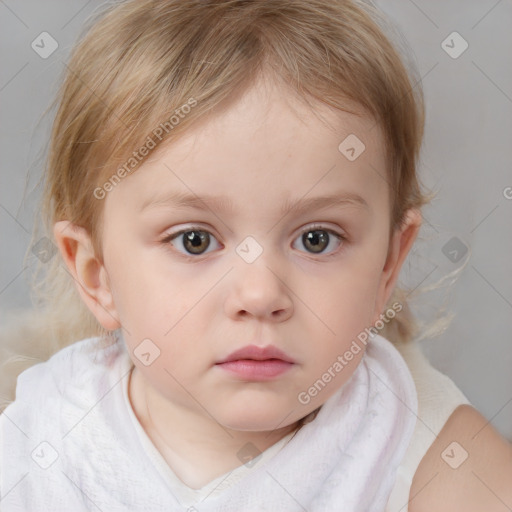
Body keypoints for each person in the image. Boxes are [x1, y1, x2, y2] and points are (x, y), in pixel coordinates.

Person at [1, 0, 511, 510]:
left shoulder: (431, 456)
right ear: (97, 275)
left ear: (386, 266)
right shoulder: (41, 446)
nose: (261, 294)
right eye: (194, 240)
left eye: (317, 239)